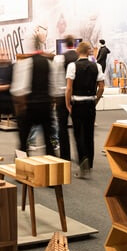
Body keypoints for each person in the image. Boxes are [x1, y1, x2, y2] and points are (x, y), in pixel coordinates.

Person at [11, 32, 62, 155]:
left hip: (29, 106)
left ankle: (22, 168)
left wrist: (19, 109)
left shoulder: (24, 63)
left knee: (23, 143)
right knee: (49, 143)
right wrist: (52, 103)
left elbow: (19, 90)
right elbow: (55, 89)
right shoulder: (50, 64)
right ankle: (51, 170)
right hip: (45, 106)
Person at [66, 41, 104, 178]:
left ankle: (83, 162)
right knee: (89, 134)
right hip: (90, 104)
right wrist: (96, 100)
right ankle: (90, 164)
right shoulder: (97, 66)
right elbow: (101, 87)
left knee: (78, 133)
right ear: (88, 52)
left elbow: (69, 87)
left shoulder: (72, 66)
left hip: (77, 103)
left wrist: (67, 103)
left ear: (77, 51)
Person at [55, 35, 79, 163]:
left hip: (61, 96)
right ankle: (81, 155)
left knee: (62, 127)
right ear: (74, 43)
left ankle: (65, 155)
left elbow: (56, 78)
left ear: (65, 44)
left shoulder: (59, 59)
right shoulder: (78, 58)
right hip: (76, 96)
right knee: (78, 128)